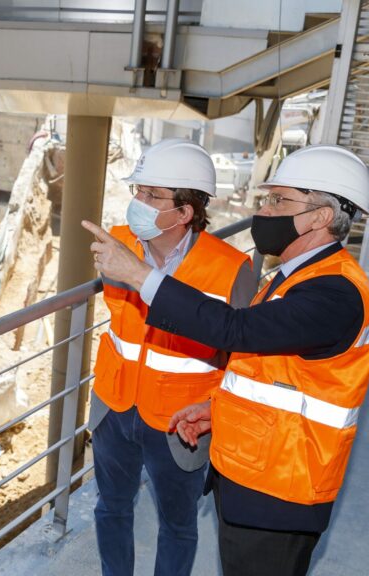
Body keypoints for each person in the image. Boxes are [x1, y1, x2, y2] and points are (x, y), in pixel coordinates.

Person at [83, 144, 369, 576]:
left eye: (279, 200)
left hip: (281, 489)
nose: (265, 209)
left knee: (185, 527)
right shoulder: (296, 276)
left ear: (318, 217)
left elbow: (234, 331)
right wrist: (216, 409)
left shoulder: (333, 294)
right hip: (252, 467)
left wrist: (139, 275)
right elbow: (270, 372)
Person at [89, 139, 255, 576]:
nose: (138, 203)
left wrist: (217, 410)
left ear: (184, 213)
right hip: (114, 405)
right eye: (138, 191)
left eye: (152, 195)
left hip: (181, 421)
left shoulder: (231, 268)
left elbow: (243, 354)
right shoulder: (117, 243)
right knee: (111, 509)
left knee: (178, 526)